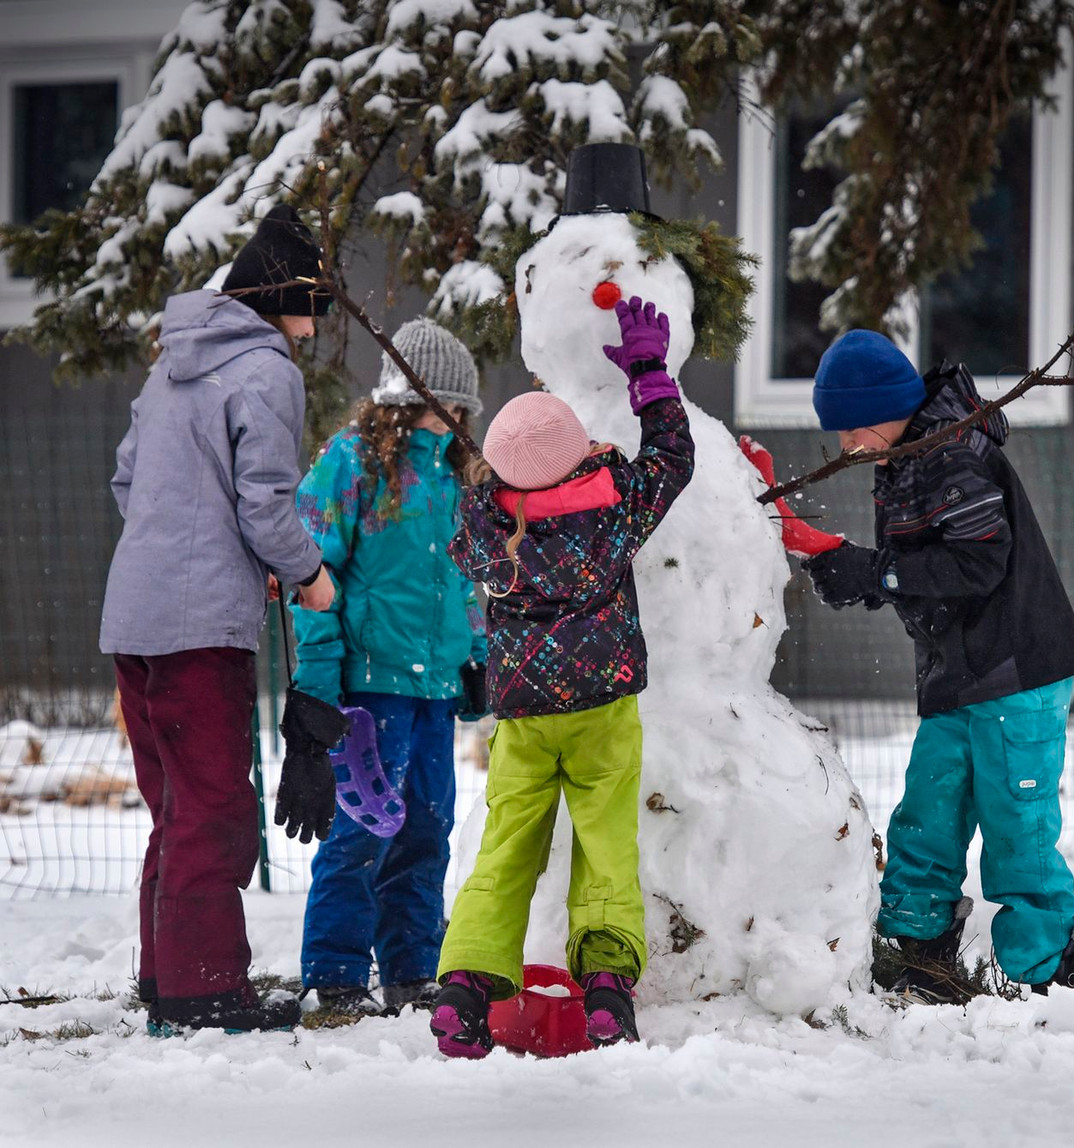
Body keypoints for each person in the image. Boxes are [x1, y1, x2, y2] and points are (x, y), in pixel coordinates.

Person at [428, 296, 694, 1058]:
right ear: (581, 455)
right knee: (606, 845)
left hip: (523, 715)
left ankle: (463, 992)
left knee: (507, 846)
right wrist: (647, 373)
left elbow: (474, 518)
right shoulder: (614, 512)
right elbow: (674, 458)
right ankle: (608, 994)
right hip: (603, 708)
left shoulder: (487, 529)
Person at [100, 204, 337, 1033]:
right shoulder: (266, 371)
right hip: (200, 629)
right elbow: (266, 505)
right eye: (316, 306)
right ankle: (206, 996)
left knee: (175, 806)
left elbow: (130, 485)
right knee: (214, 808)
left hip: (136, 613)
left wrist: (208, 553)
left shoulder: (174, 365)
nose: (314, 330)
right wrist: (306, 577)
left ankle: (169, 984)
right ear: (283, 295)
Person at [802, 329, 1074, 1001]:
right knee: (927, 815)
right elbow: (921, 569)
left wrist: (875, 572)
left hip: (1015, 669)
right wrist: (864, 574)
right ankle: (921, 953)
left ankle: (1046, 977)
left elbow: (978, 563)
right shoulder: (902, 457)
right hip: (956, 672)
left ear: (883, 410)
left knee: (1017, 829)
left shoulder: (952, 454)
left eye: (850, 429)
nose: (844, 445)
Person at [290, 319, 488, 1016]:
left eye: (464, 409)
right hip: (369, 687)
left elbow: (468, 579)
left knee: (427, 827)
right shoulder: (352, 464)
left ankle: (412, 969)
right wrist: (317, 681)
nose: (457, 417)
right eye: (448, 404)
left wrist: (476, 657)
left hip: (433, 687)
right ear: (410, 395)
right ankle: (334, 974)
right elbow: (311, 573)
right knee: (362, 829)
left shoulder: (457, 475)